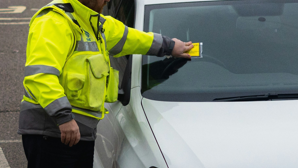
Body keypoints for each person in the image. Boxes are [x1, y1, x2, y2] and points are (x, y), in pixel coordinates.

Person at [18, 0, 193, 167]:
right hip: (53, 133)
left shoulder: (97, 23)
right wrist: (63, 117)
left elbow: (133, 38)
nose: (107, 1)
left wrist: (170, 46)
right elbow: (40, 76)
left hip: (81, 134)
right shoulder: (54, 21)